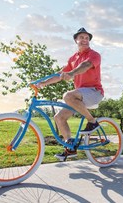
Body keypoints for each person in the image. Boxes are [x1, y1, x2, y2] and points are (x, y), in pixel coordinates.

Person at [36, 27, 104, 160]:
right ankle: (70, 147)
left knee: (68, 96)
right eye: (81, 37)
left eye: (87, 38)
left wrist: (72, 73)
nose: (85, 40)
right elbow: (60, 75)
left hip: (94, 92)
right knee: (58, 117)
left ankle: (92, 121)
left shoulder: (94, 55)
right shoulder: (72, 58)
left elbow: (86, 65)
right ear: (76, 40)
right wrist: (43, 83)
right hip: (79, 96)